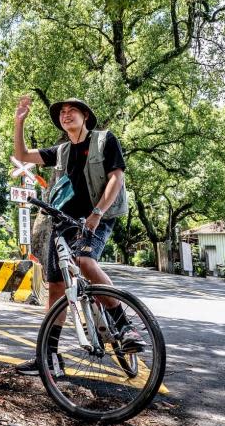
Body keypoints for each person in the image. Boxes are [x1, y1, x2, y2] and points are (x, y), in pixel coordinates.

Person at [12, 95, 144, 375]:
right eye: (62, 112)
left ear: (86, 116)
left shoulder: (104, 140)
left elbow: (116, 178)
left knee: (85, 261)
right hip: (63, 222)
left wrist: (96, 213)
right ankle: (49, 357)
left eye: (73, 110)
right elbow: (23, 155)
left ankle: (124, 325)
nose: (66, 114)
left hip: (98, 216)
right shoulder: (60, 151)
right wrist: (19, 121)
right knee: (57, 288)